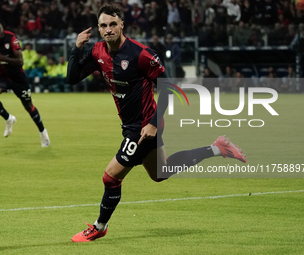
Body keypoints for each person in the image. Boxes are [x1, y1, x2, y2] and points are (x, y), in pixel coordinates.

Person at [67, 5, 247, 243]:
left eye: (112, 24)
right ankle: (217, 147)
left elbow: (169, 88)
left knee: (110, 177)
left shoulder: (140, 54)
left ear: (122, 25)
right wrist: (76, 48)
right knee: (161, 173)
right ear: (98, 28)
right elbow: (72, 78)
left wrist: (152, 124)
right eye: (103, 25)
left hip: (144, 127)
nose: (108, 29)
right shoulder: (99, 51)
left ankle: (100, 226)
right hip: (132, 125)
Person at [0, 16, 50, 147]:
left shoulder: (11, 38)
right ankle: (9, 119)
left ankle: (42, 132)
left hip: (18, 78)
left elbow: (20, 62)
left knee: (29, 107)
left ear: (3, 28)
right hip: (2, 75)